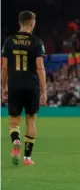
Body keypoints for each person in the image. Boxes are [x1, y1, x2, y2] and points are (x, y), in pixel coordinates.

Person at [1, 11, 47, 166]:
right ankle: (27, 158)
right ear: (31, 22)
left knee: (14, 121)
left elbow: (5, 67)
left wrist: (3, 86)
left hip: (14, 84)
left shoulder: (9, 41)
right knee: (31, 120)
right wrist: (44, 90)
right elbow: (40, 68)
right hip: (31, 86)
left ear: (20, 22)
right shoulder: (36, 42)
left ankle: (16, 140)